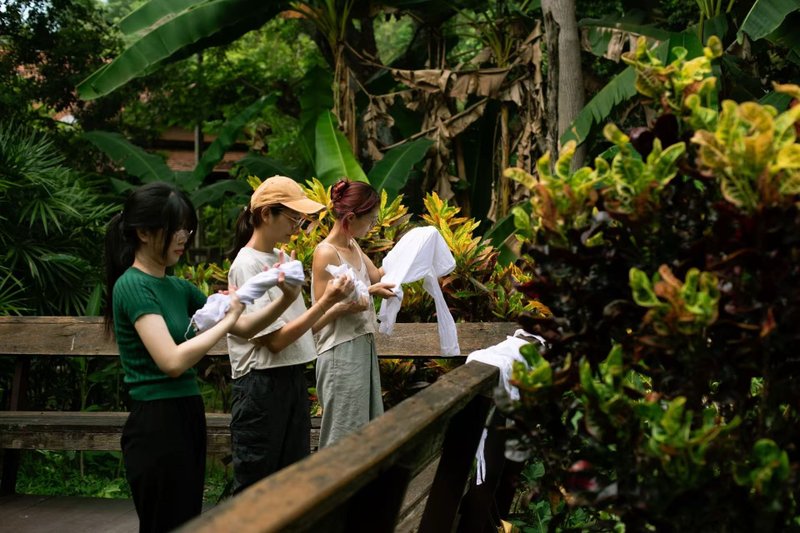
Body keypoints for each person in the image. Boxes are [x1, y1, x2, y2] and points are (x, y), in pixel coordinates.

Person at [104, 182, 245, 533]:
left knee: (186, 523)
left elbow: (246, 327)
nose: (184, 236)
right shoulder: (132, 285)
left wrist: (284, 290)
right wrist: (227, 320)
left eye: (187, 227)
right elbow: (171, 361)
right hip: (156, 423)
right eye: (176, 228)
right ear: (144, 233)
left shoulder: (179, 287)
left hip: (187, 413)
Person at [226, 175, 354, 494]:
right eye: (293, 217)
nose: (297, 226)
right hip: (261, 384)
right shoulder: (247, 265)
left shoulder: (281, 260)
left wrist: (336, 306)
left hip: (291, 379)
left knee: (291, 484)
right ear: (267, 214)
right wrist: (326, 300)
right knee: (257, 488)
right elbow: (275, 341)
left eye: (301, 218)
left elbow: (299, 329)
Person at [311, 178, 396, 447]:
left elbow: (377, 276)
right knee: (342, 438)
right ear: (349, 217)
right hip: (340, 352)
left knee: (365, 434)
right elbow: (316, 319)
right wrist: (356, 301)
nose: (372, 226)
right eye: (370, 220)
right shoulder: (326, 252)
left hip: (363, 346)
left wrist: (416, 249)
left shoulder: (353, 245)